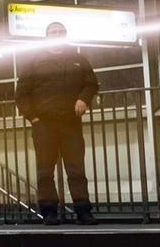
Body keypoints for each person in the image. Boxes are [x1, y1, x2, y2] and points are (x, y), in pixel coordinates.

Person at [14, 22, 99, 226]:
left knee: (76, 169)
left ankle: (83, 212)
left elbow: (91, 83)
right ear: (47, 36)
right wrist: (32, 117)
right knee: (45, 170)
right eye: (53, 32)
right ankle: (49, 212)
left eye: (60, 32)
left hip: (71, 123)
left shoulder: (78, 59)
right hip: (44, 124)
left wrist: (83, 99)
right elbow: (21, 93)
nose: (57, 34)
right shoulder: (34, 61)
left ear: (65, 34)